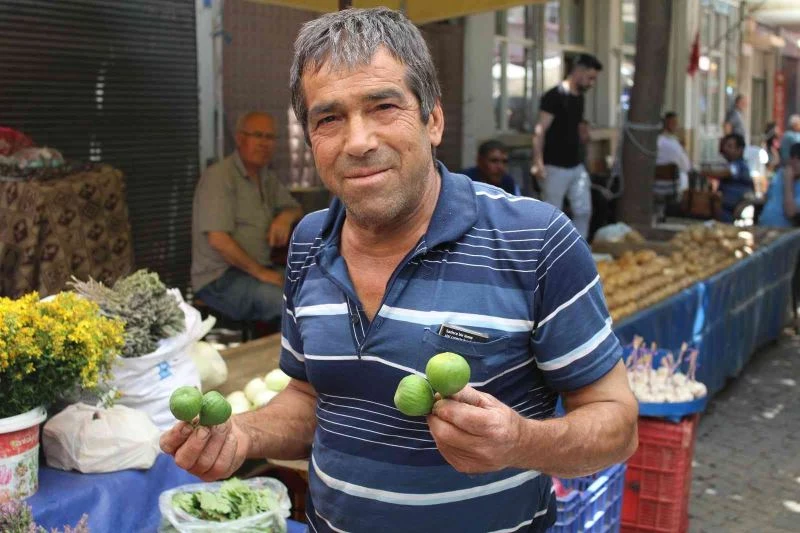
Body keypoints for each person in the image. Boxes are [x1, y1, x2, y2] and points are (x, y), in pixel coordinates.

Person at [163, 9, 637, 533]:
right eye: (329, 118)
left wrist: (519, 441)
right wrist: (244, 435)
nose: (358, 141)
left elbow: (617, 424)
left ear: (433, 119)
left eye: (383, 106)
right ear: (311, 138)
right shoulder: (307, 243)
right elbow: (311, 397)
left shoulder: (534, 240)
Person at [191, 111, 303, 322]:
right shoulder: (219, 177)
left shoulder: (265, 177)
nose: (264, 143)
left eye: (269, 137)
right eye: (257, 135)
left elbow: (295, 207)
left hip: (257, 271)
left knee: (316, 291)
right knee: (288, 304)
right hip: (219, 279)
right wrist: (262, 273)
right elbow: (219, 240)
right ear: (240, 138)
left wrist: (285, 217)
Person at [531, 53, 603, 240]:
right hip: (554, 166)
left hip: (576, 165)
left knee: (584, 210)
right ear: (579, 71)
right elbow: (540, 130)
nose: (591, 83)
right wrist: (538, 162)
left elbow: (576, 123)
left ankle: (579, 255)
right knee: (551, 216)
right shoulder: (554, 96)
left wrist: (584, 131)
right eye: (590, 78)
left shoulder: (579, 97)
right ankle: (549, 259)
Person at [759, 143, 800, 227]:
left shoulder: (786, 176)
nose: (794, 162)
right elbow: (767, 197)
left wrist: (788, 181)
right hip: (764, 226)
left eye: (799, 159)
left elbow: (790, 212)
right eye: (793, 158)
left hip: (786, 234)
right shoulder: (781, 173)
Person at [717, 133, 754, 222]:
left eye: (730, 146)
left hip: (733, 216)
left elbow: (728, 173)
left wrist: (703, 172)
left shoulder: (740, 165)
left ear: (740, 150)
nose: (725, 149)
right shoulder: (730, 164)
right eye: (725, 146)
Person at [656, 111, 691, 193]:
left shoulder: (653, 142)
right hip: (672, 189)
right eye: (675, 123)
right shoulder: (674, 144)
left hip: (653, 187)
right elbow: (686, 167)